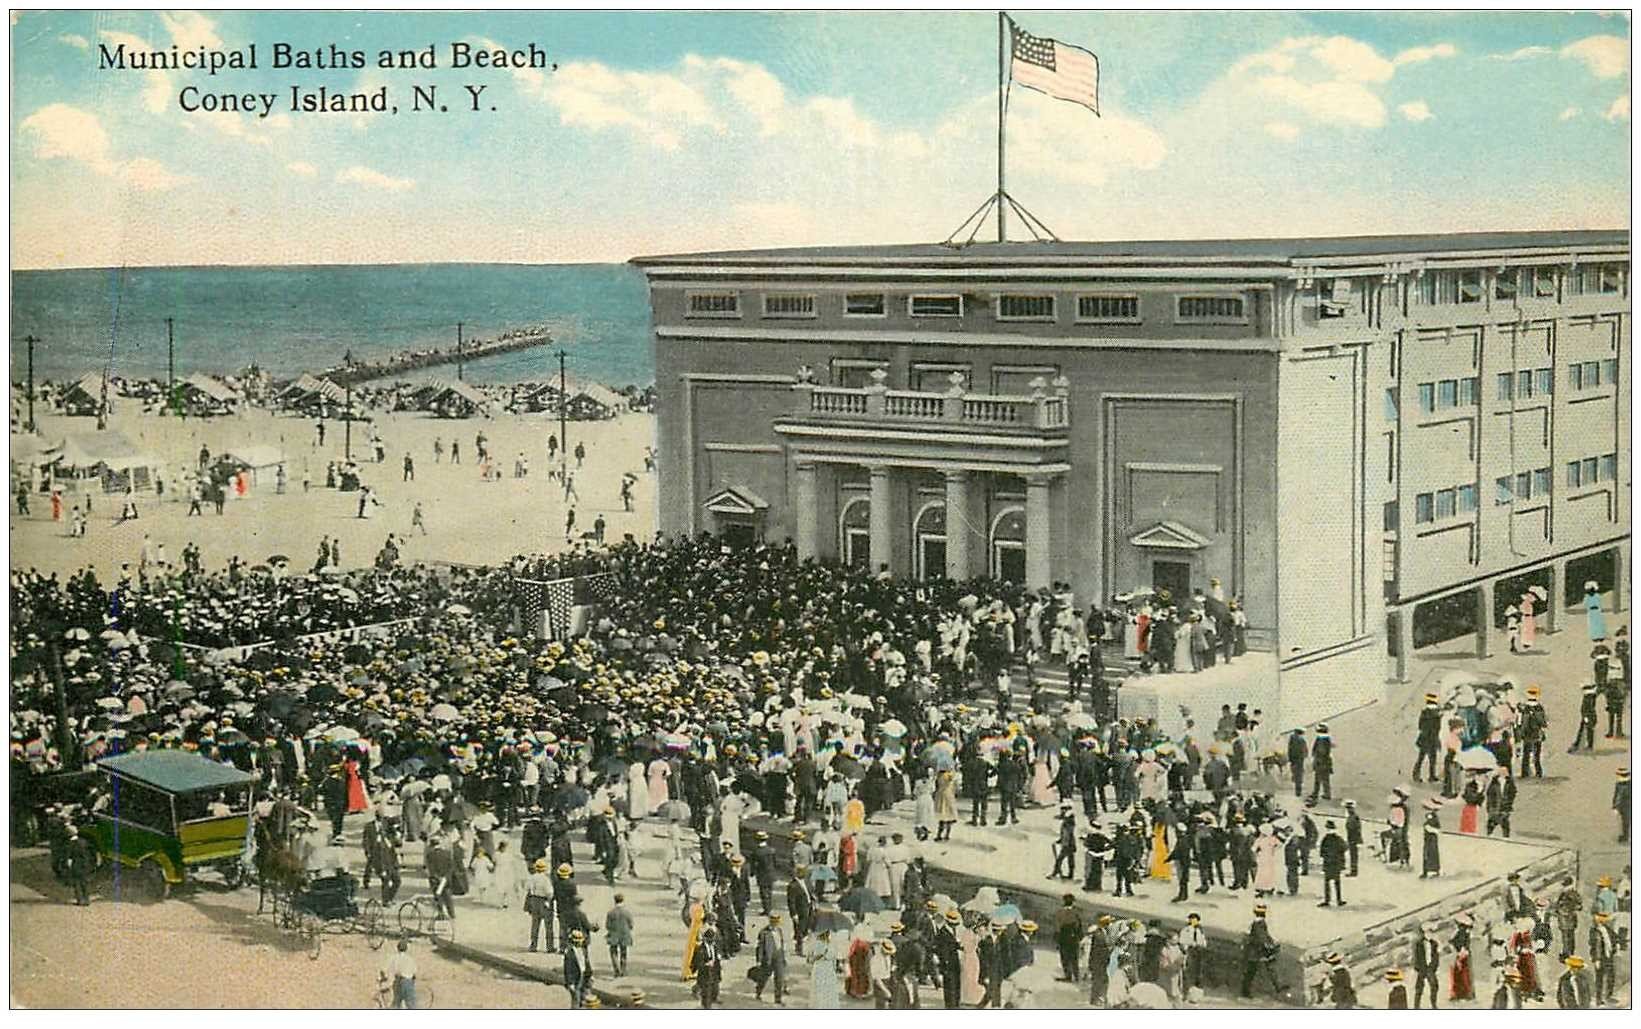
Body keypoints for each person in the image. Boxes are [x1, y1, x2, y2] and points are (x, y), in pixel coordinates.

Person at [1240, 904, 1281, 999]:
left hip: (1253, 951)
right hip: (1256, 952)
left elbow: (1263, 936)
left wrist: (1271, 942)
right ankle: (1277, 987)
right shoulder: (1259, 924)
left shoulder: (1255, 924)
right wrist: (1271, 945)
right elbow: (1262, 938)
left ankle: (1246, 991)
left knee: (1251, 972)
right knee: (1254, 971)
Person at [753, 914, 788, 1004]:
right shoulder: (764, 932)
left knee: (779, 978)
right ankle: (758, 992)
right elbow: (760, 947)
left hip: (778, 956)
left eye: (777, 921)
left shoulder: (779, 931)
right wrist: (759, 960)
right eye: (774, 921)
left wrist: (783, 957)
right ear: (771, 921)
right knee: (764, 977)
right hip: (768, 958)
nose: (776, 924)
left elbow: (782, 944)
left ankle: (778, 998)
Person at [380, 939, 418, 1009]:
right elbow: (414, 973)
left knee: (396, 1004)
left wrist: (383, 978)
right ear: (406, 949)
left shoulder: (394, 957)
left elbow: (383, 970)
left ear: (397, 948)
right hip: (409, 982)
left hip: (399, 982)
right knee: (412, 1005)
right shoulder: (410, 959)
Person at [692, 925, 724, 1008]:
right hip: (705, 970)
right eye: (710, 940)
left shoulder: (715, 946)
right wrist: (706, 964)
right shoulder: (701, 949)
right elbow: (697, 962)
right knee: (706, 988)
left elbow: (717, 955)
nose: (712, 941)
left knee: (715, 985)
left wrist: (718, 960)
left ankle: (714, 998)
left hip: (715, 969)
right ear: (706, 939)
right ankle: (706, 1005)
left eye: (713, 939)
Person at [1318, 819, 1346, 906]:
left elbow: (1321, 852)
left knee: (1327, 882)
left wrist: (1326, 856)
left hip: (1328, 863)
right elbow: (1344, 848)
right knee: (1337, 882)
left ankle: (1327, 900)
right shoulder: (1338, 839)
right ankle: (1339, 899)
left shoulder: (1325, 839)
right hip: (1336, 863)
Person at [63, 825, 94, 905]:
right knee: (84, 883)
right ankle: (87, 899)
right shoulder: (84, 841)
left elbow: (68, 856)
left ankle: (80, 900)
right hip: (85, 864)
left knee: (77, 883)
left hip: (76, 864)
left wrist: (68, 865)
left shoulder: (69, 844)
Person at [1415, 692, 1442, 782]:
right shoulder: (1436, 716)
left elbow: (1420, 726)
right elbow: (1437, 729)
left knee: (1421, 758)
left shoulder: (1424, 713)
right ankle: (1431, 776)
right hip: (1432, 739)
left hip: (1424, 738)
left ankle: (1416, 775)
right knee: (1432, 759)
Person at [604, 893, 633, 977]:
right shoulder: (627, 912)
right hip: (624, 935)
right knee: (624, 952)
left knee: (613, 952)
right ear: (622, 900)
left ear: (615, 901)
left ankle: (616, 970)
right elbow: (631, 925)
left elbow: (607, 925)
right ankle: (623, 970)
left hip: (613, 935)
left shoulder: (610, 913)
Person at [564, 928, 593, 1008]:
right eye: (577, 941)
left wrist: (590, 975)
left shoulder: (583, 950)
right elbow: (568, 969)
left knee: (585, 999)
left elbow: (587, 962)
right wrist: (570, 983)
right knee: (576, 1000)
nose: (580, 942)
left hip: (584, 976)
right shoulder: (569, 953)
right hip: (576, 979)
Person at [1615, 767, 1631, 843]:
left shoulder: (1621, 785)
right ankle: (1626, 836)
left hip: (1625, 806)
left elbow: (1618, 797)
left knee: (1625, 822)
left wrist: (1616, 807)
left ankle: (1625, 837)